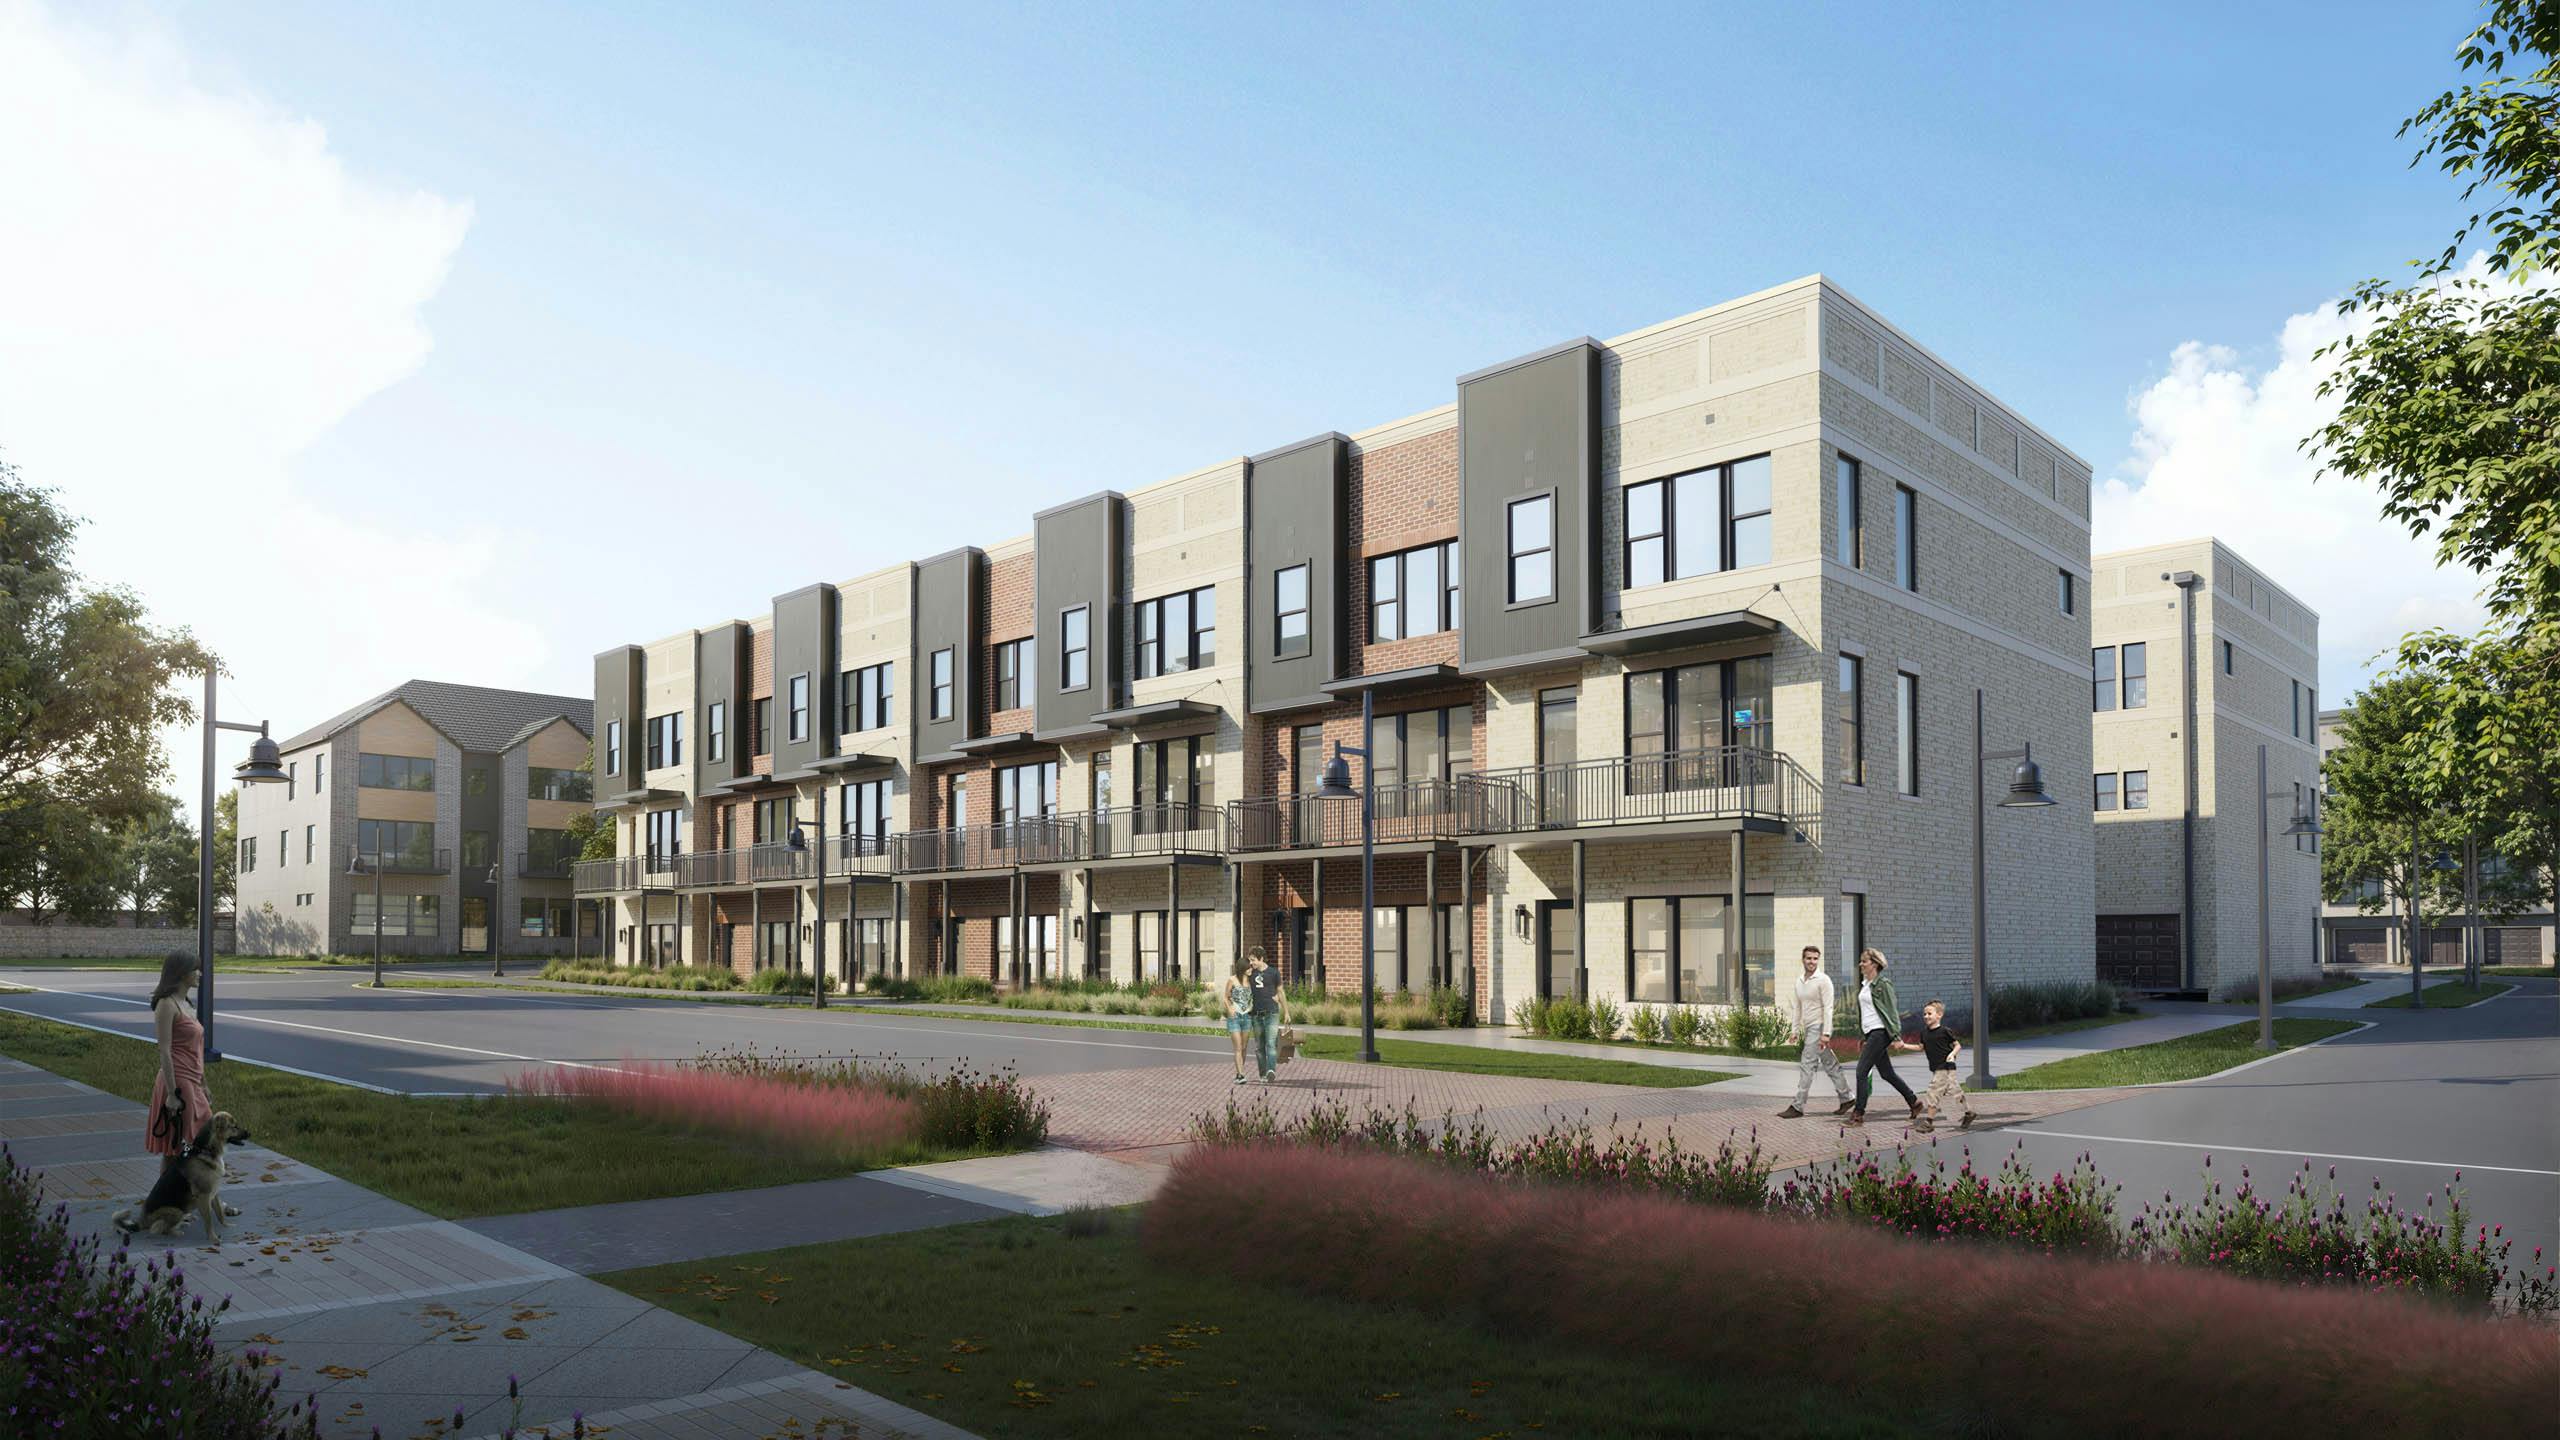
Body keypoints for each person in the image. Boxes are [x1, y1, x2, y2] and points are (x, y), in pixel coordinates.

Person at [145, 951, 213, 1158]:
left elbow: (196, 1050)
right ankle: (175, 1182)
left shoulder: (187, 1005)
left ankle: (185, 1180)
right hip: (178, 1082)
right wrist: (172, 1094)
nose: (200, 973)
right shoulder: (167, 1004)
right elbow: (164, 1050)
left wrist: (203, 1083)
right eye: (195, 969)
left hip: (193, 1081)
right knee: (179, 1148)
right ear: (182, 973)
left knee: (191, 1144)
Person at [1846, 948, 1921, 1127]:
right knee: (1887, 1073)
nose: (1860, 964)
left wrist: (1896, 1036)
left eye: (1864, 961)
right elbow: (1867, 1012)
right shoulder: (1866, 984)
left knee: (1861, 1071)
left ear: (1874, 964)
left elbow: (1891, 1011)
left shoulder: (1883, 984)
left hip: (1880, 1032)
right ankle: (1914, 1102)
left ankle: (1858, 1114)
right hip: (1871, 1032)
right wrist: (1863, 1036)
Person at [1777, 945, 1853, 1119]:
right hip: (1809, 1027)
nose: (1812, 961)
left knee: (1807, 1065)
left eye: (1815, 958)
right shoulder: (1799, 981)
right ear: (1803, 959)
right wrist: (1794, 1030)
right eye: (1808, 958)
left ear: (1818, 960)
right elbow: (1797, 1007)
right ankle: (1847, 1097)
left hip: (1818, 1027)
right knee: (1830, 1063)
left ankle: (1797, 1106)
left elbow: (1828, 1008)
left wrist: (1826, 1033)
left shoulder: (1823, 980)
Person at [1915, 1000, 1973, 1132]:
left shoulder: (1945, 1031)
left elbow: (1957, 1045)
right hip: (1937, 1068)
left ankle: (1928, 1122)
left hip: (1945, 1067)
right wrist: (1903, 1045)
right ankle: (1969, 1113)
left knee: (1932, 1092)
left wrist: (1952, 1054)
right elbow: (1920, 1047)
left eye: (1929, 1013)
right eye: (1924, 1014)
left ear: (1939, 1015)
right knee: (1955, 1091)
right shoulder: (1924, 1033)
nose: (1926, 1016)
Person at [1245, 946, 1287, 1083]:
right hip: (1256, 1015)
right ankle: (1263, 1074)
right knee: (1259, 1047)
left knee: (1271, 1043)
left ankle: (1271, 1071)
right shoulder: (1250, 974)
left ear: (1261, 959)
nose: (1251, 963)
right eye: (1250, 960)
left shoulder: (1274, 973)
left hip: (1272, 1013)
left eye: (1253, 960)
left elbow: (1280, 992)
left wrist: (1286, 1012)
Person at [1223, 955, 1254, 1084]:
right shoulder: (1232, 980)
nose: (1251, 969)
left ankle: (1239, 1073)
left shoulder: (1251, 981)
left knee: (1244, 1047)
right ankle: (1241, 1075)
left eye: (1251, 967)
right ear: (1243, 968)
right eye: (1249, 967)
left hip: (1247, 1017)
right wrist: (1230, 1009)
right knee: (1238, 1047)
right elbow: (1226, 997)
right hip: (1235, 1017)